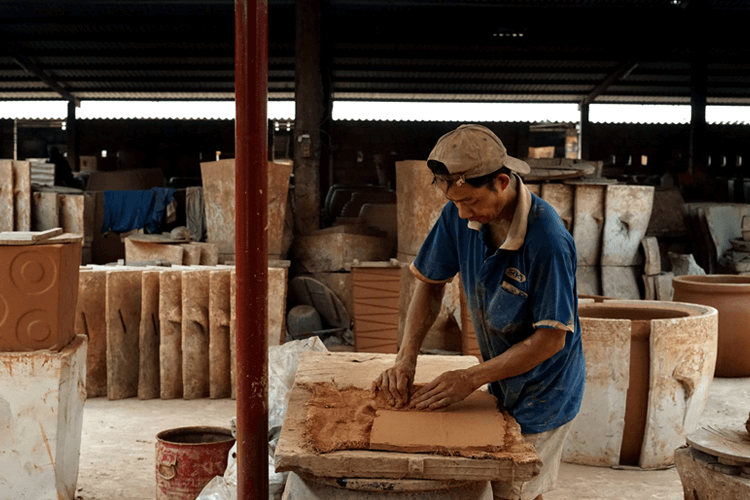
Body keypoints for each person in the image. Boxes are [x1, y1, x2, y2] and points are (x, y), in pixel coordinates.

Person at [373, 124, 585, 500]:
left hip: (544, 389)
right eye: (454, 202)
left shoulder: (548, 240)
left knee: (514, 489)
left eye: (469, 201)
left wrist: (470, 378)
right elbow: (431, 284)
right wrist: (405, 360)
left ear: (501, 181)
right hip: (501, 376)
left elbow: (551, 339)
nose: (461, 211)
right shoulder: (459, 213)